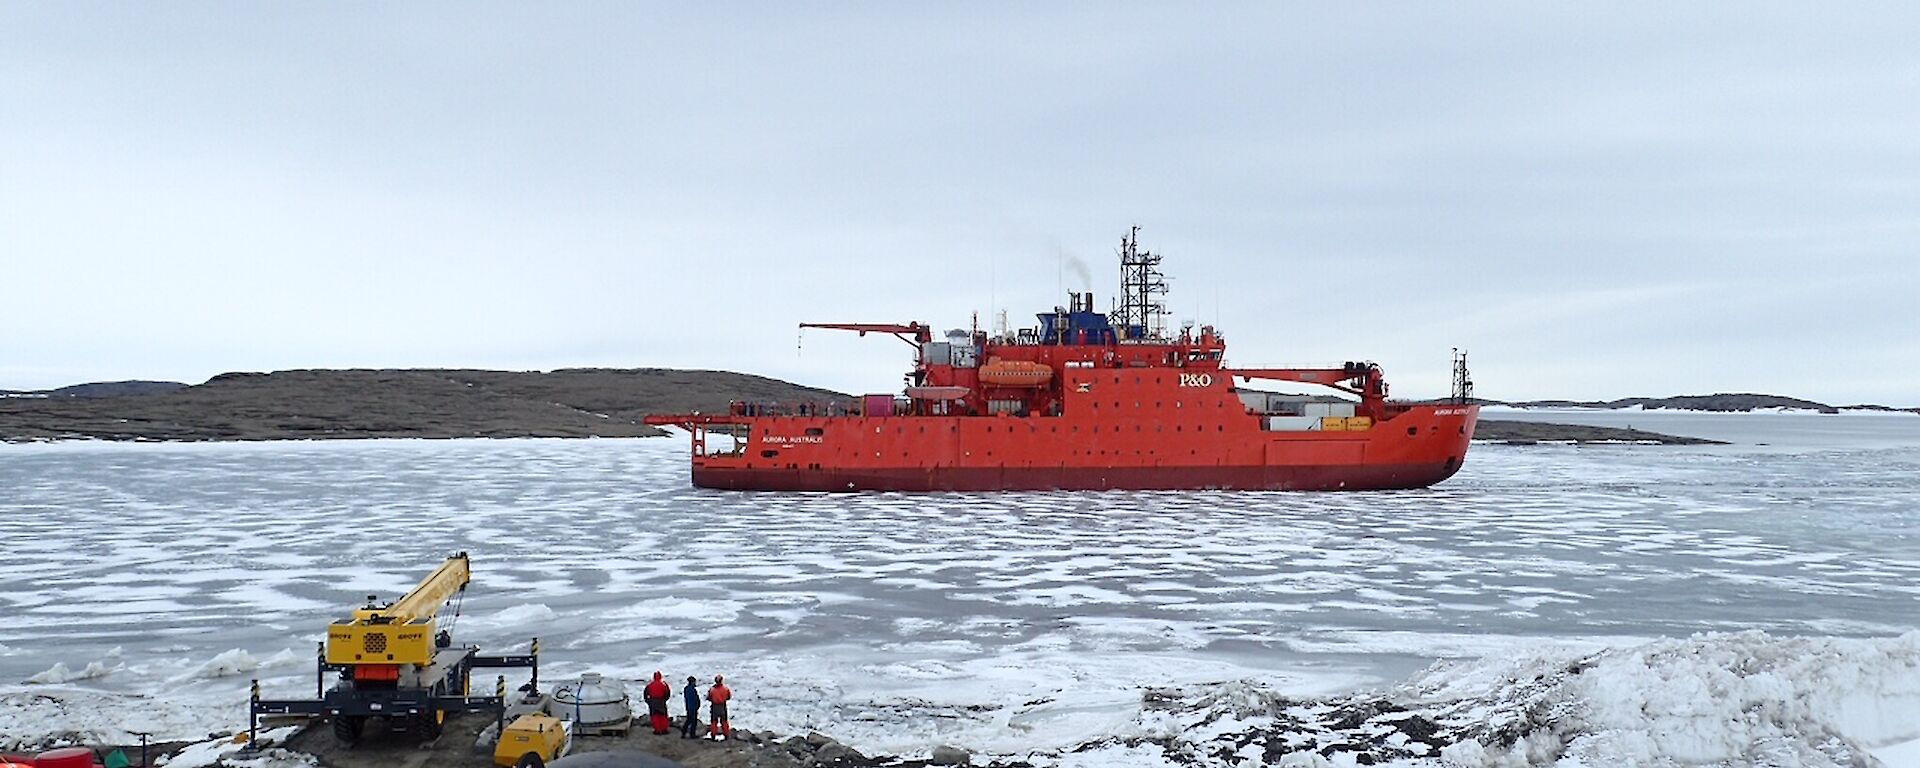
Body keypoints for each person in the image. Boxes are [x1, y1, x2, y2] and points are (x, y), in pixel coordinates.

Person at [706, 674, 732, 740]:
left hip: (714, 706)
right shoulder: (725, 689)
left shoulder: (712, 689)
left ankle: (713, 735)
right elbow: (729, 697)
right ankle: (726, 735)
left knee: (714, 722)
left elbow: (709, 698)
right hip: (722, 706)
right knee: (724, 721)